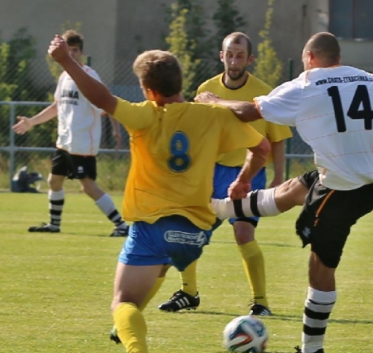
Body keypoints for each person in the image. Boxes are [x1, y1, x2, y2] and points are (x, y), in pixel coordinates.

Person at [197, 32, 373, 353]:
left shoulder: (306, 84)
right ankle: (218, 209)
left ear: (309, 58)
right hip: (364, 180)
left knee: (320, 266)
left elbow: (249, 111)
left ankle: (312, 349)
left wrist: (215, 101)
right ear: (337, 58)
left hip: (344, 188)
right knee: (296, 189)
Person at [47, 34, 270, 353]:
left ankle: (134, 341)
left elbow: (101, 98)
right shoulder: (212, 115)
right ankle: (126, 325)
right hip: (195, 234)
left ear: (148, 91)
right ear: (180, 81)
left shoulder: (145, 115)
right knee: (161, 264)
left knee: (123, 302)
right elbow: (260, 147)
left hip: (153, 228)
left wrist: (66, 61)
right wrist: (244, 179)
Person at [157, 32, 292, 317]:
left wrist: (279, 177)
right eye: (229, 54)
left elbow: (277, 139)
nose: (233, 60)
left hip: (250, 171)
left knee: (244, 233)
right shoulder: (204, 89)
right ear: (221, 56)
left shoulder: (265, 92)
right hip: (212, 171)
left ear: (250, 59)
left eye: (240, 55)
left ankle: (261, 302)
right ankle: (189, 293)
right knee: (188, 232)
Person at [12, 30, 128, 237]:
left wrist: (117, 130)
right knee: (54, 181)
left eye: (75, 50)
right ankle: (54, 224)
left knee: (88, 186)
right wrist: (32, 121)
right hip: (64, 141)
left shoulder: (89, 76)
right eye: (68, 49)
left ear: (81, 52)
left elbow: (106, 102)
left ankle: (122, 225)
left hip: (82, 142)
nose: (71, 54)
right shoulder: (64, 77)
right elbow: (57, 106)